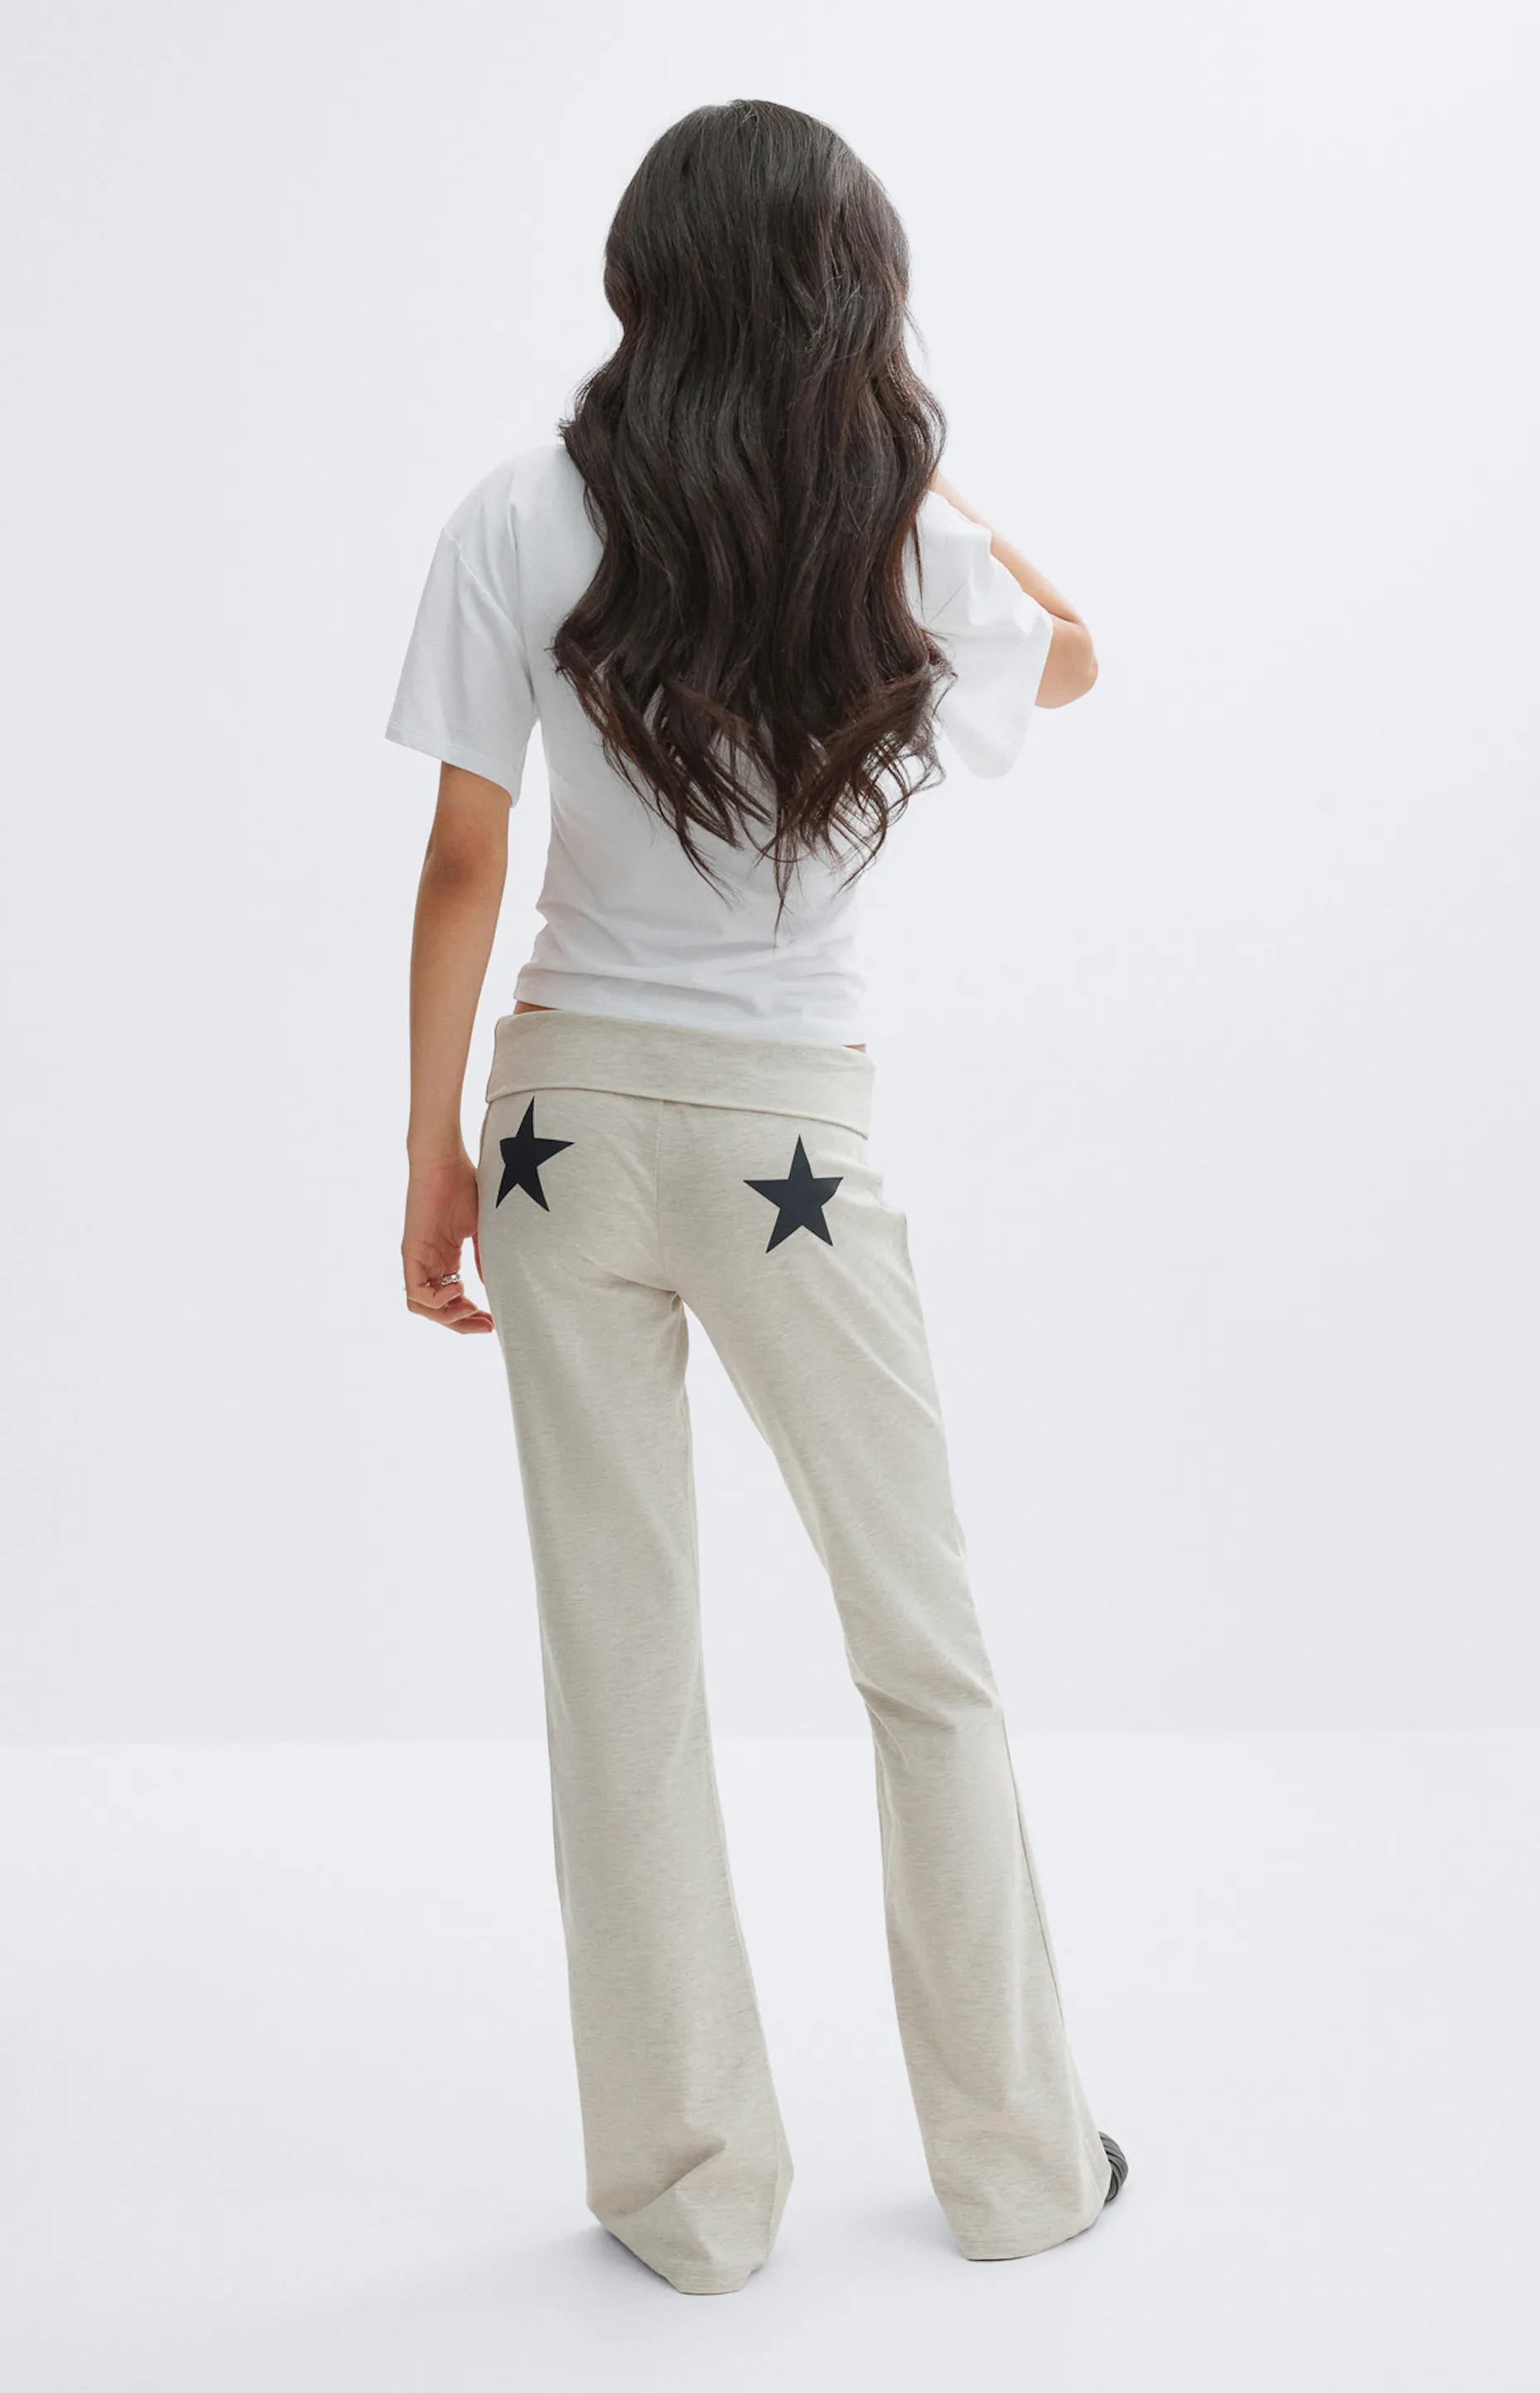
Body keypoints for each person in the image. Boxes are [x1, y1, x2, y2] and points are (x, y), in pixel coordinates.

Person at [385, 97, 1127, 2297]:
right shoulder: (889, 534)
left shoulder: (521, 512)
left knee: (617, 1666)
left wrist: (430, 1152)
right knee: (926, 1653)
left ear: (640, 280)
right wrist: (896, 458)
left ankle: (690, 2203)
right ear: (848, 297)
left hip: (561, 1124)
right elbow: (1075, 650)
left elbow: (461, 862)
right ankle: (1023, 2169)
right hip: (790, 1138)